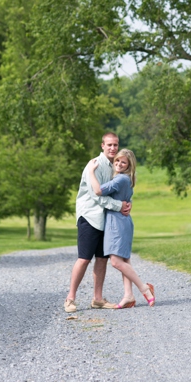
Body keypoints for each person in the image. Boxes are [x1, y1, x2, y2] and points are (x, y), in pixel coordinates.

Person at [64, 132, 131, 313]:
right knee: (84, 258)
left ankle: (98, 299)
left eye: (115, 145)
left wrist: (126, 203)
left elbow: (117, 190)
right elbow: (97, 195)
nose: (112, 148)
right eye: (109, 145)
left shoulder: (115, 166)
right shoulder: (94, 165)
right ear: (102, 145)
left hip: (106, 219)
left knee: (102, 259)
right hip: (90, 216)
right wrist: (119, 206)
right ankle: (70, 298)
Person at [88, 148, 155, 308]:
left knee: (116, 262)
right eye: (117, 160)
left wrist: (91, 172)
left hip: (117, 223)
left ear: (129, 165)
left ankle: (144, 288)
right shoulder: (126, 179)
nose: (118, 164)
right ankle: (128, 296)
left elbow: (98, 191)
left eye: (123, 162)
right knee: (125, 260)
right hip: (122, 221)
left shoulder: (121, 180)